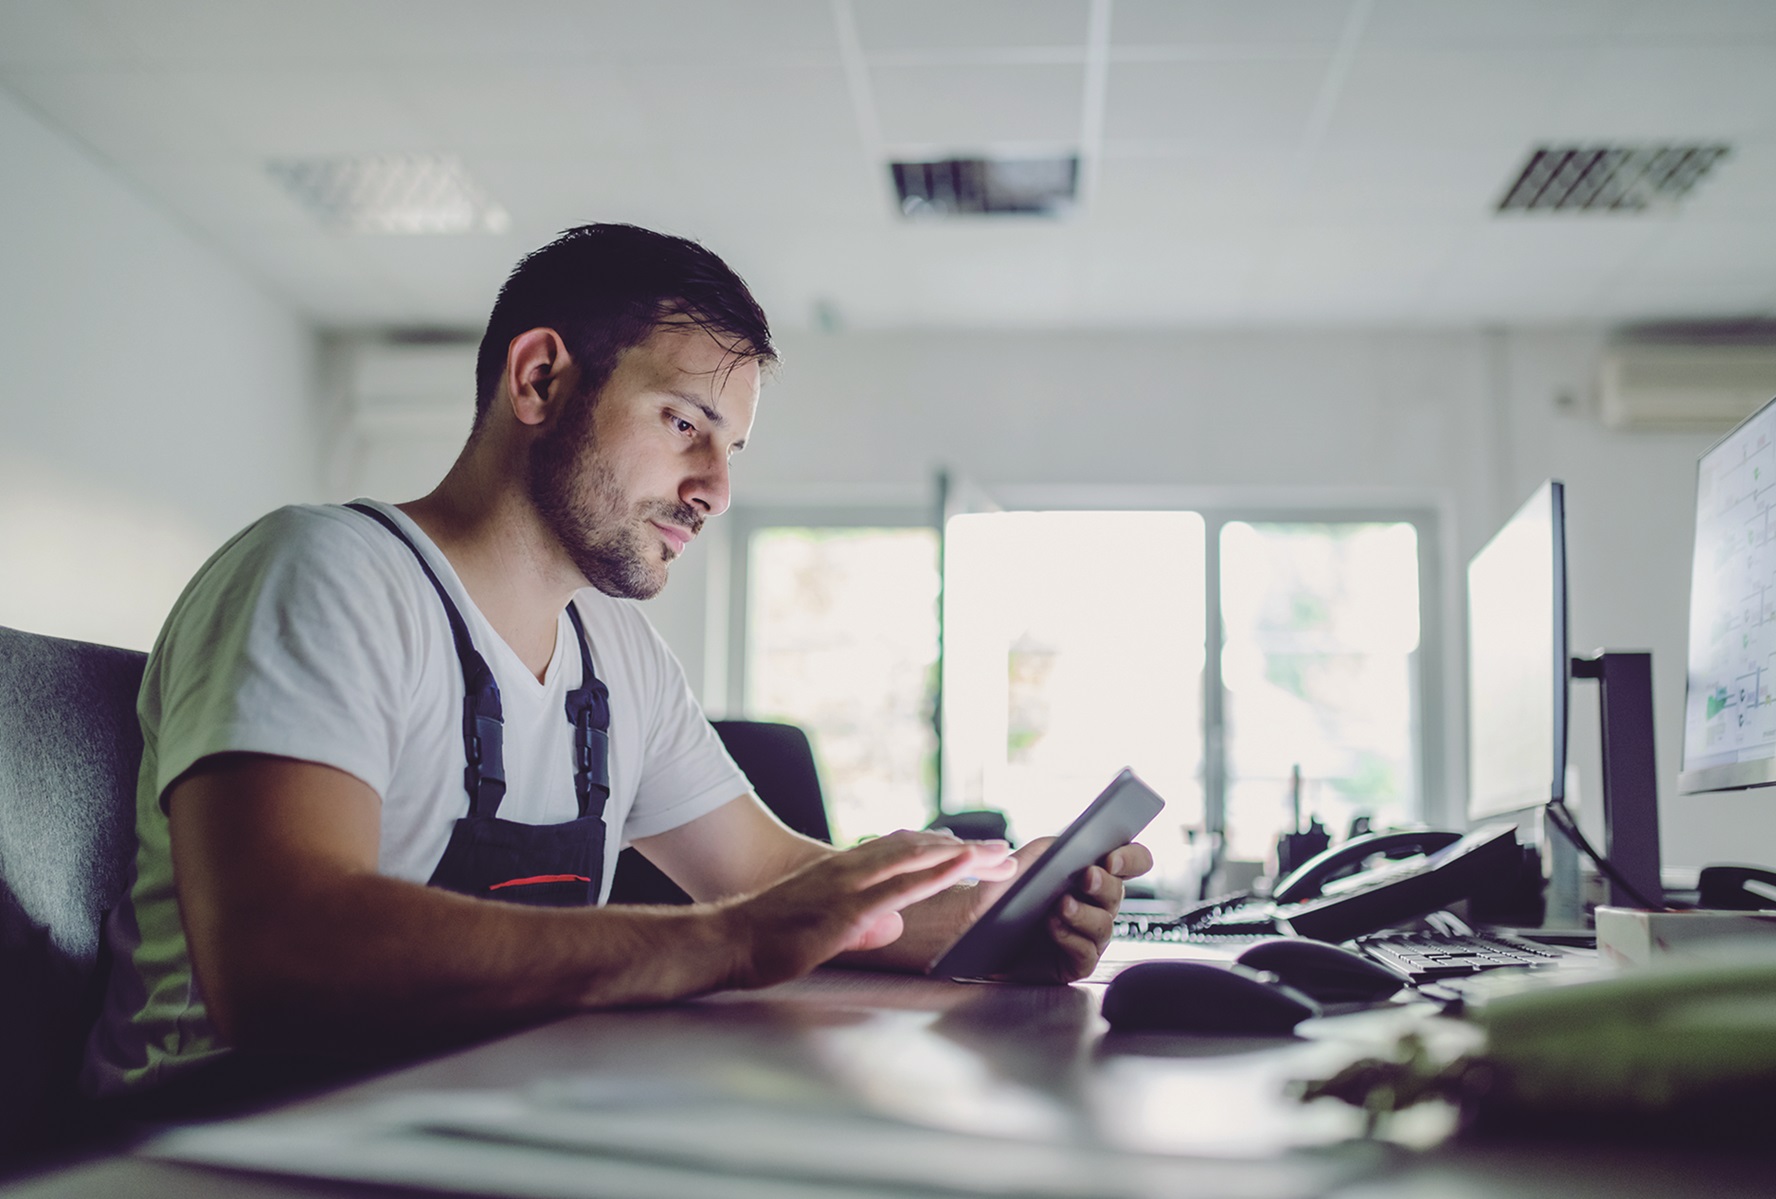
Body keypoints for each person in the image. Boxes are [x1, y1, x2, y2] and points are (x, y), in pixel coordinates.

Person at [83, 223, 1151, 1100]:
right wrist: (720, 942)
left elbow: (780, 883)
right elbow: (282, 958)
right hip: (221, 1142)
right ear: (541, 379)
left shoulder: (617, 658)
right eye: (686, 423)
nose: (714, 488)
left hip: (463, 1114)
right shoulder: (322, 572)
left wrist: (1008, 920)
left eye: (731, 448)